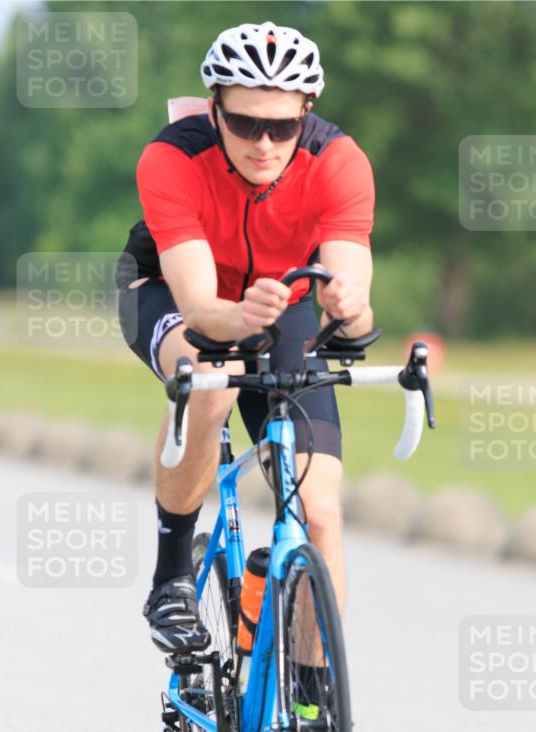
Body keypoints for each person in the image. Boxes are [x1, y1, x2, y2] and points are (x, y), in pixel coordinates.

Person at [116, 21, 375, 662]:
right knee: (212, 379)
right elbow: (203, 309)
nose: (263, 144)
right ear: (214, 109)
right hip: (170, 292)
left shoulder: (339, 161)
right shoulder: (172, 158)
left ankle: (311, 704)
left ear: (306, 113)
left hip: (280, 302)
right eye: (244, 123)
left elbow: (351, 293)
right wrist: (237, 317)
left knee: (320, 512)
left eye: (282, 128)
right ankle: (171, 578)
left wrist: (348, 308)